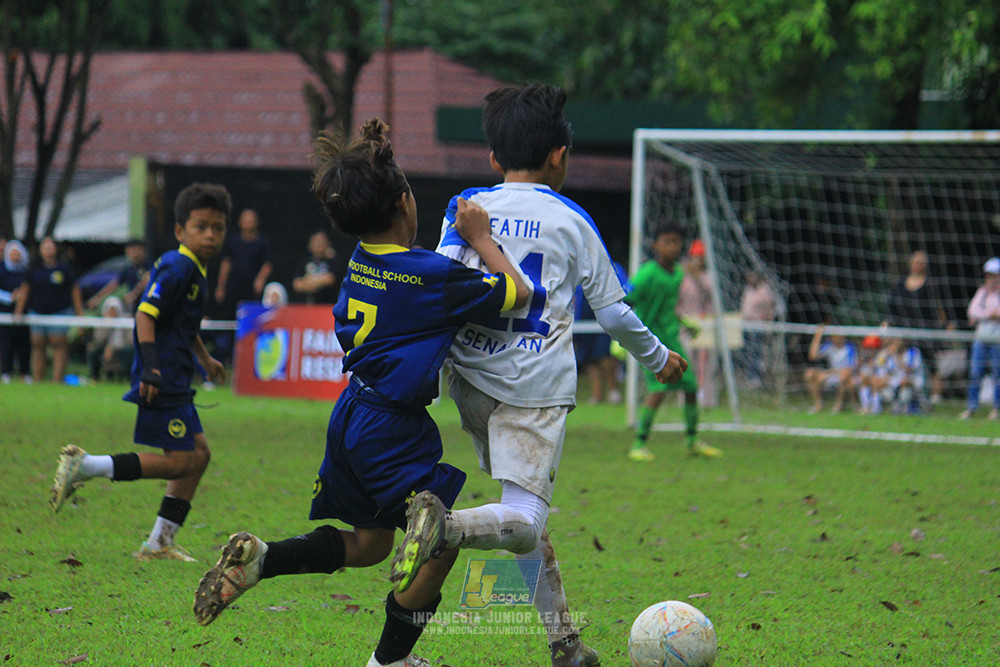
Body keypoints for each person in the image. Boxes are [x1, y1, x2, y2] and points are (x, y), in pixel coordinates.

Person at [189, 119, 529, 667]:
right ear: (403, 201)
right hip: (391, 426)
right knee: (440, 541)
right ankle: (389, 661)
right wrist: (482, 238)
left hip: (351, 416)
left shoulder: (360, 263)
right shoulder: (428, 275)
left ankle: (264, 561)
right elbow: (517, 291)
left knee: (370, 547)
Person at [424, 84, 687, 667]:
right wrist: (658, 356)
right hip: (533, 387)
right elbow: (614, 311)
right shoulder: (571, 218)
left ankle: (565, 645)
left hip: (469, 377)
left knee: (519, 514)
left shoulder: (465, 208)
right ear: (560, 156)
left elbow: (439, 280)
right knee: (521, 518)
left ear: (493, 158)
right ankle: (445, 526)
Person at [48, 183, 230, 563]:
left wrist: (204, 359)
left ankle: (159, 543)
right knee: (182, 460)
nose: (210, 234)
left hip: (177, 376)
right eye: (201, 226)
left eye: (217, 227)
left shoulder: (195, 269)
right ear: (181, 231)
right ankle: (88, 466)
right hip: (162, 377)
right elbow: (146, 314)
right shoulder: (178, 265)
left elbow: (181, 323)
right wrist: (150, 368)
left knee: (200, 454)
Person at [627, 226, 721, 461]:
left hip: (672, 340)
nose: (673, 246)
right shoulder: (647, 273)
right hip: (649, 342)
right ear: (656, 245)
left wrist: (685, 323)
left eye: (677, 242)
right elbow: (627, 299)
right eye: (667, 241)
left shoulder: (678, 274)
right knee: (658, 391)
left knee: (690, 386)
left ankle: (691, 440)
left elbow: (668, 307)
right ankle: (639, 443)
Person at [884, 250, 953, 405]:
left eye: (921, 263)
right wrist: (887, 322)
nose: (917, 265)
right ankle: (903, 393)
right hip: (905, 329)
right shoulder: (901, 283)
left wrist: (947, 324)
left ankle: (936, 395)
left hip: (926, 329)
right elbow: (891, 306)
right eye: (915, 262)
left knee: (931, 363)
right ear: (910, 263)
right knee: (902, 360)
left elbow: (940, 306)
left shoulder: (931, 283)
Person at [14, 236, 85, 384]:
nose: (48, 250)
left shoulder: (64, 268)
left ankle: (57, 381)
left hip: (60, 311)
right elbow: (26, 289)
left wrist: (80, 313)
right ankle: (38, 380)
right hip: (37, 311)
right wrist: (19, 310)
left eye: (51, 246)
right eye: (45, 247)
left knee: (58, 343)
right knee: (37, 344)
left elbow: (74, 290)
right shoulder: (34, 269)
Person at [214, 208, 273, 363]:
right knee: (228, 322)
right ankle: (224, 356)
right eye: (245, 218)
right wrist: (221, 285)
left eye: (251, 218)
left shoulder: (262, 242)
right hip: (233, 288)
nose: (248, 222)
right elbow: (226, 263)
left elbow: (267, 264)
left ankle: (247, 358)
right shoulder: (233, 241)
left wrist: (260, 280)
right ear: (240, 221)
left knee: (250, 322)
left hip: (251, 291)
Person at [677, 239, 719, 407]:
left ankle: (707, 399)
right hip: (686, 323)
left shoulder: (708, 277)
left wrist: (696, 277)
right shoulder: (682, 277)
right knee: (686, 362)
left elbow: (709, 294)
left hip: (705, 323)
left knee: (706, 363)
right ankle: (685, 398)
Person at [959, 257, 1000, 421]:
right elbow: (972, 311)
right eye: (989, 275)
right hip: (981, 337)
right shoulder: (982, 292)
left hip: (998, 340)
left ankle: (996, 409)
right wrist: (989, 315)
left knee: (998, 374)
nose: (991, 278)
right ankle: (971, 407)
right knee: (975, 372)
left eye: (995, 275)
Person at [85, 239, 151, 312]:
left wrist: (134, 294)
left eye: (135, 250)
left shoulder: (150, 264)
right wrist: (98, 298)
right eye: (130, 250)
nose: (132, 253)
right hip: (135, 307)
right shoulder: (129, 269)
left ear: (142, 250)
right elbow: (114, 284)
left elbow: (148, 278)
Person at [804, 325, 858, 414]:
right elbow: (812, 355)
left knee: (844, 376)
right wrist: (818, 336)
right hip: (833, 375)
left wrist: (828, 372)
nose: (837, 338)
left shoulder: (850, 347)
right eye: (834, 336)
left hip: (847, 376)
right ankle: (818, 405)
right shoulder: (829, 345)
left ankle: (838, 406)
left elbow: (848, 369)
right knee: (809, 373)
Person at [0, 240, 31, 383]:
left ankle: (24, 372)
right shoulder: (2, 269)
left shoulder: (25, 271)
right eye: (12, 253)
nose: (15, 256)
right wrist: (10, 297)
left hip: (24, 312)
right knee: (6, 342)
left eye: (17, 253)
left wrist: (22, 296)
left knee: (24, 343)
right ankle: (6, 371)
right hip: (5, 311)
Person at [740, 269, 777, 389]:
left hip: (758, 326)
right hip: (746, 325)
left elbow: (770, 309)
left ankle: (756, 378)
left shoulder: (764, 290)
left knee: (756, 352)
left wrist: (768, 327)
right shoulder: (748, 289)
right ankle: (748, 376)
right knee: (747, 352)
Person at [86, 295, 133, 383]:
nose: (113, 313)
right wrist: (107, 325)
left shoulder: (126, 321)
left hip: (121, 348)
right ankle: (95, 377)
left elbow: (130, 340)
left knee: (128, 352)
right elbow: (98, 340)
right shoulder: (101, 323)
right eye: (110, 310)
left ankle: (127, 378)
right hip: (105, 348)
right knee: (94, 350)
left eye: (114, 310)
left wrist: (113, 348)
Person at [292, 229, 342, 304]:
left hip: (327, 305)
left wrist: (310, 280)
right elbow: (297, 284)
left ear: (328, 244)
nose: (318, 243)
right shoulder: (304, 262)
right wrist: (317, 282)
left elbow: (331, 279)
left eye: (321, 241)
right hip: (307, 306)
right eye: (315, 241)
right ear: (310, 245)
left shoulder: (333, 261)